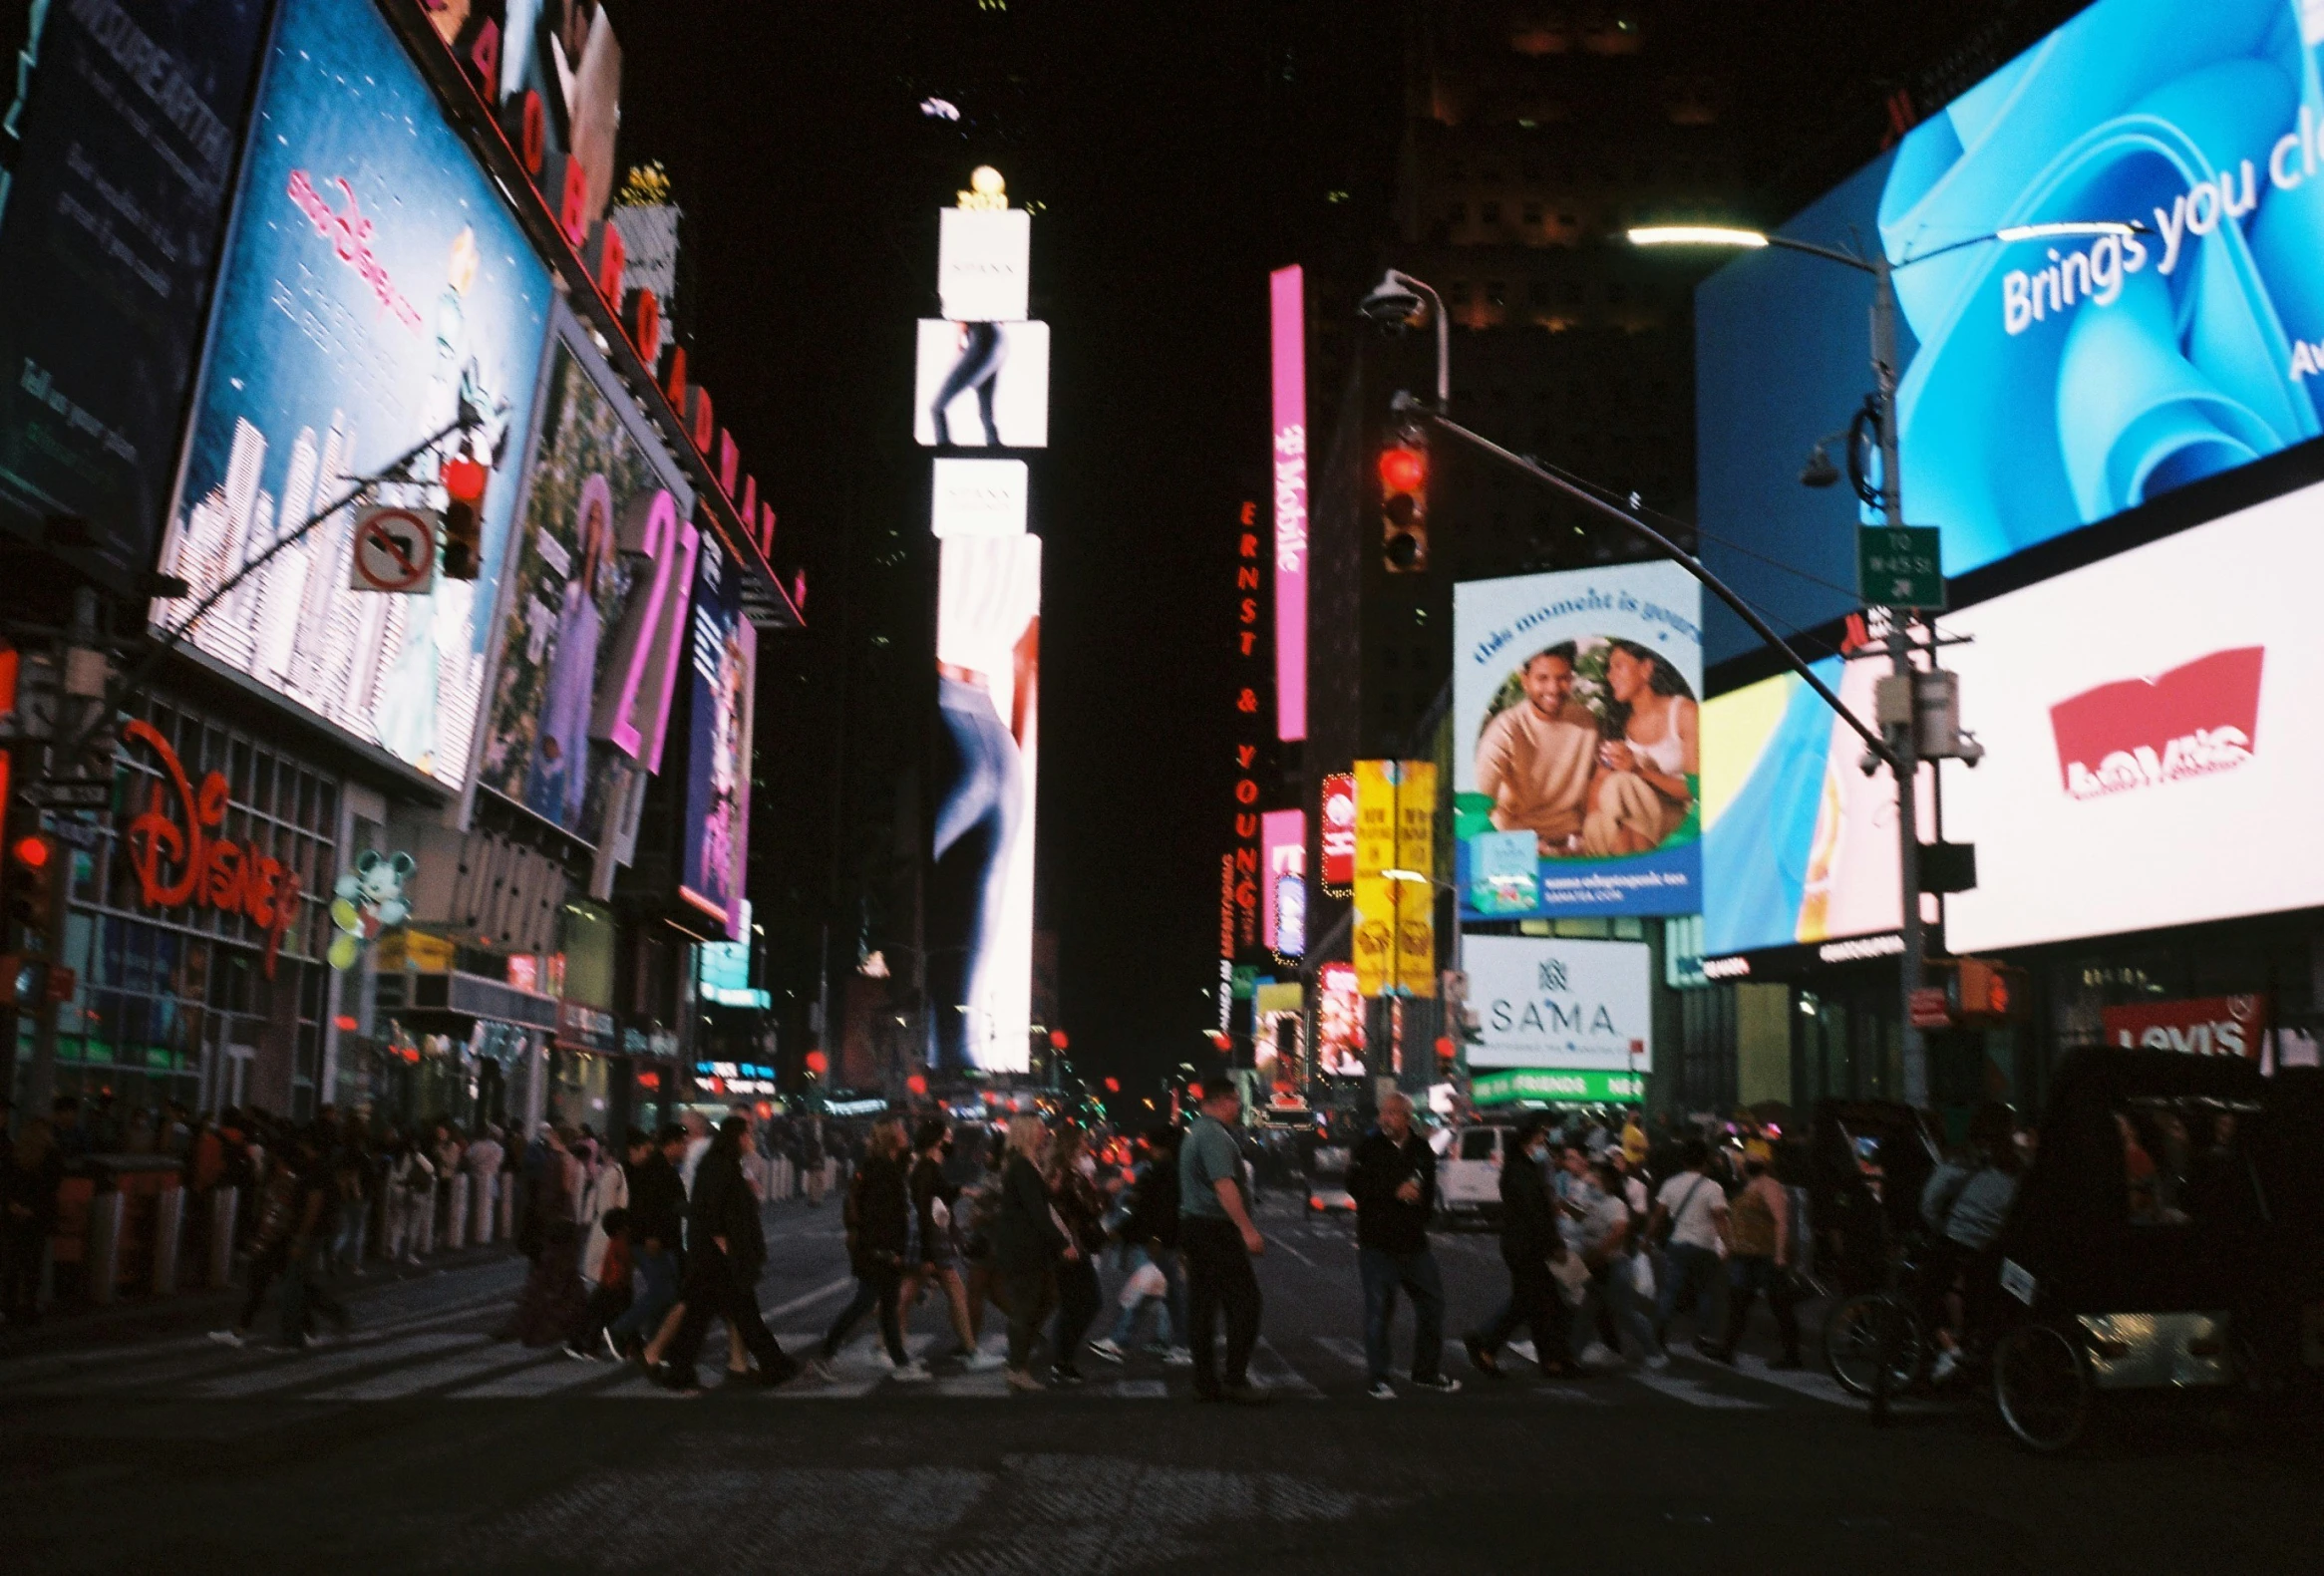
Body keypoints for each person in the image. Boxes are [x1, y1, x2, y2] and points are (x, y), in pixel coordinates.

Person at [654, 1117, 800, 1394]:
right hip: (718, 1259)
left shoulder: (723, 1164)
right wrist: (726, 1247)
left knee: (721, 1315)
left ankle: (772, 1365)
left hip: (715, 1257)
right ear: (739, 1137)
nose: (752, 1139)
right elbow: (712, 1211)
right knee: (735, 1313)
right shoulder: (719, 1166)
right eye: (749, 1134)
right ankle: (774, 1366)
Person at [1346, 1092, 1460, 1399]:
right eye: (1384, 1112)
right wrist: (1394, 1190)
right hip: (1377, 1243)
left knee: (1432, 1305)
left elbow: (1427, 1191)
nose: (1386, 1118)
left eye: (1394, 1113)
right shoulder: (1368, 1148)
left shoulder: (1422, 1150)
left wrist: (1419, 1211)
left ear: (1408, 1118)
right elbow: (1355, 1185)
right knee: (1379, 1311)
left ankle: (1425, 1371)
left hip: (1413, 1243)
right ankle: (1379, 1377)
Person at [817, 1115, 928, 1381]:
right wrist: (890, 1251)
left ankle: (898, 1361)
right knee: (868, 1304)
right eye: (901, 1128)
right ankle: (827, 1354)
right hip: (878, 1250)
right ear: (891, 1135)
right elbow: (879, 1216)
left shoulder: (889, 1165)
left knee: (881, 1305)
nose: (905, 1132)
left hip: (877, 1249)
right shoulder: (881, 1170)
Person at [1177, 1078, 1267, 1404]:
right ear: (1223, 1100)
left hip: (1196, 1227)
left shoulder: (1196, 1132)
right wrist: (1247, 1229)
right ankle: (1235, 1378)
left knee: (1203, 1305)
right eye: (1236, 1100)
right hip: (1214, 1229)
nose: (1239, 1106)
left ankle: (1205, 1381)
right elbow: (1224, 1185)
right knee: (1245, 1302)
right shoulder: (1214, 1135)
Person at [1465, 1116, 1574, 1379]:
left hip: (1524, 1243)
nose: (1544, 1142)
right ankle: (1485, 1342)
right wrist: (1554, 1243)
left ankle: (1551, 1361)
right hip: (1528, 1246)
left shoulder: (1524, 1167)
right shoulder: (1521, 1171)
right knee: (1532, 1301)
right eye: (1541, 1137)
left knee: (1540, 1302)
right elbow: (1534, 1213)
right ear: (1529, 1139)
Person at [1920, 1102, 2023, 1381]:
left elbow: (1931, 1200)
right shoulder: (2016, 1166)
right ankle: (1976, 1353)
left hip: (1955, 1237)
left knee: (1924, 1294)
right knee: (1982, 1304)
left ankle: (1950, 1350)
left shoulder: (1963, 1158)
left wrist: (1941, 1227)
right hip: (1991, 1245)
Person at [1476, 644, 1601, 856]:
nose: (1553, 688)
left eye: (1562, 678)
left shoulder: (1586, 722)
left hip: (1574, 843)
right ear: (1525, 681)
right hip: (1518, 845)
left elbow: (1597, 786)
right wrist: (1516, 844)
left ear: (1571, 679)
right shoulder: (1505, 729)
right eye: (1542, 678)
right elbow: (1477, 803)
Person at [899, 1118, 1000, 1371]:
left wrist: (963, 1192)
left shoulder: (929, 1166)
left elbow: (940, 1194)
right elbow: (925, 1209)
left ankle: (889, 1347)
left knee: (908, 1295)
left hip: (930, 1237)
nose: (951, 1142)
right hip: (929, 1238)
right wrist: (927, 1255)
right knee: (939, 1293)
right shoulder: (926, 1168)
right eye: (947, 1137)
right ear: (936, 1141)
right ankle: (970, 1351)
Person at [1582, 638, 1699, 855]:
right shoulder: (1620, 727)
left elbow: (1698, 791)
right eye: (1609, 669)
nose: (1610, 675)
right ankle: (1640, 877)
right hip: (1634, 822)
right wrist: (1597, 824)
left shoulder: (1684, 713)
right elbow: (1598, 787)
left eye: (1618, 665)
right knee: (1601, 821)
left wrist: (1639, 771)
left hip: (1682, 818)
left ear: (1646, 668)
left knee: (1622, 783)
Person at [1090, 1126, 1190, 1366]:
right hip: (1167, 1241)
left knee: (1145, 1290)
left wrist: (1123, 1233)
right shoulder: (1174, 1169)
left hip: (1158, 1242)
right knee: (1171, 1296)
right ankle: (1182, 1345)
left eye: (1152, 1145)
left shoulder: (1162, 1171)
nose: (1149, 1149)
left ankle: (1119, 1341)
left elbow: (1151, 1210)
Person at [1562, 1156, 1664, 1370]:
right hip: (1596, 1267)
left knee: (1625, 1312)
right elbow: (1576, 1223)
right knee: (1587, 1312)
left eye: (1594, 1181)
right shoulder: (1590, 1204)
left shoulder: (1615, 1204)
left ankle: (1654, 1352)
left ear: (1608, 1183)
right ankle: (1573, 1355)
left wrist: (1598, 1253)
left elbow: (1619, 1231)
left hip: (1614, 1267)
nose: (1589, 1184)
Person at [991, 1114, 1068, 1392]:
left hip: (1029, 1246)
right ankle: (1017, 1367)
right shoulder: (1022, 1166)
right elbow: (1037, 1211)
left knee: (1047, 1298)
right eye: (1039, 1128)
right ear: (1026, 1132)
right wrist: (1062, 1243)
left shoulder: (1026, 1164)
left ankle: (1019, 1353)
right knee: (1028, 1305)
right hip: (1023, 1248)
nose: (1044, 1132)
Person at [1709, 1144, 1800, 1368]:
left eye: (1752, 1159)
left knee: (1779, 1305)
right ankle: (1727, 1349)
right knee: (1738, 1303)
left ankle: (1792, 1355)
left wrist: (1779, 1254)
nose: (1746, 1162)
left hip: (1766, 1254)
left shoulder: (1770, 1186)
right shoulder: (1747, 1186)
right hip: (1744, 1254)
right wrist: (1729, 1248)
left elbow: (1781, 1221)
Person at [608, 1125, 687, 1362]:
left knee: (669, 1293)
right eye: (682, 1143)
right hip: (651, 1241)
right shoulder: (657, 1169)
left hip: (662, 1240)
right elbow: (648, 1205)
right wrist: (652, 1236)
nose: (685, 1148)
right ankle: (619, 1330)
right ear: (671, 1144)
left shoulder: (661, 1167)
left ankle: (656, 1344)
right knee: (663, 1291)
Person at [507, 1125, 588, 1347]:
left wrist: (543, 1218)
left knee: (549, 1275)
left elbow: (551, 1195)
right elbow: (569, 1191)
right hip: (567, 1220)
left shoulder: (555, 1160)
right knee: (564, 1275)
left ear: (555, 1136)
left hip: (555, 1223)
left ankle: (541, 1326)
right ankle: (577, 1322)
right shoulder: (571, 1159)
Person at [1649, 1137, 1729, 1354]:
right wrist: (1730, 1244)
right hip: (1705, 1246)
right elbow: (1720, 1218)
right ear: (1705, 1161)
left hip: (1677, 1243)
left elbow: (1657, 1216)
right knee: (1704, 1291)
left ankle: (1660, 1331)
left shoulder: (1671, 1184)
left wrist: (1646, 1239)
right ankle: (1701, 1335)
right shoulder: (1713, 1188)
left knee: (1670, 1289)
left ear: (1683, 1161)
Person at [1047, 1126, 1107, 1385]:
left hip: (1075, 1245)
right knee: (1086, 1301)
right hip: (1068, 1247)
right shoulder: (1062, 1174)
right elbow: (1063, 1209)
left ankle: (1063, 1359)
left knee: (1078, 1303)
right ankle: (1062, 1361)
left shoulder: (1072, 1172)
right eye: (1083, 1140)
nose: (1087, 1143)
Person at [1, 1118, 63, 1324]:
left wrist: (13, 1205)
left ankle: (8, 1305)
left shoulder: (13, 1154)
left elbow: (5, 1184)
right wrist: (32, 1209)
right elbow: (50, 1188)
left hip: (13, 1215)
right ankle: (29, 1306)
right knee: (32, 1264)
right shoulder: (51, 1157)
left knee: (12, 1261)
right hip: (37, 1218)